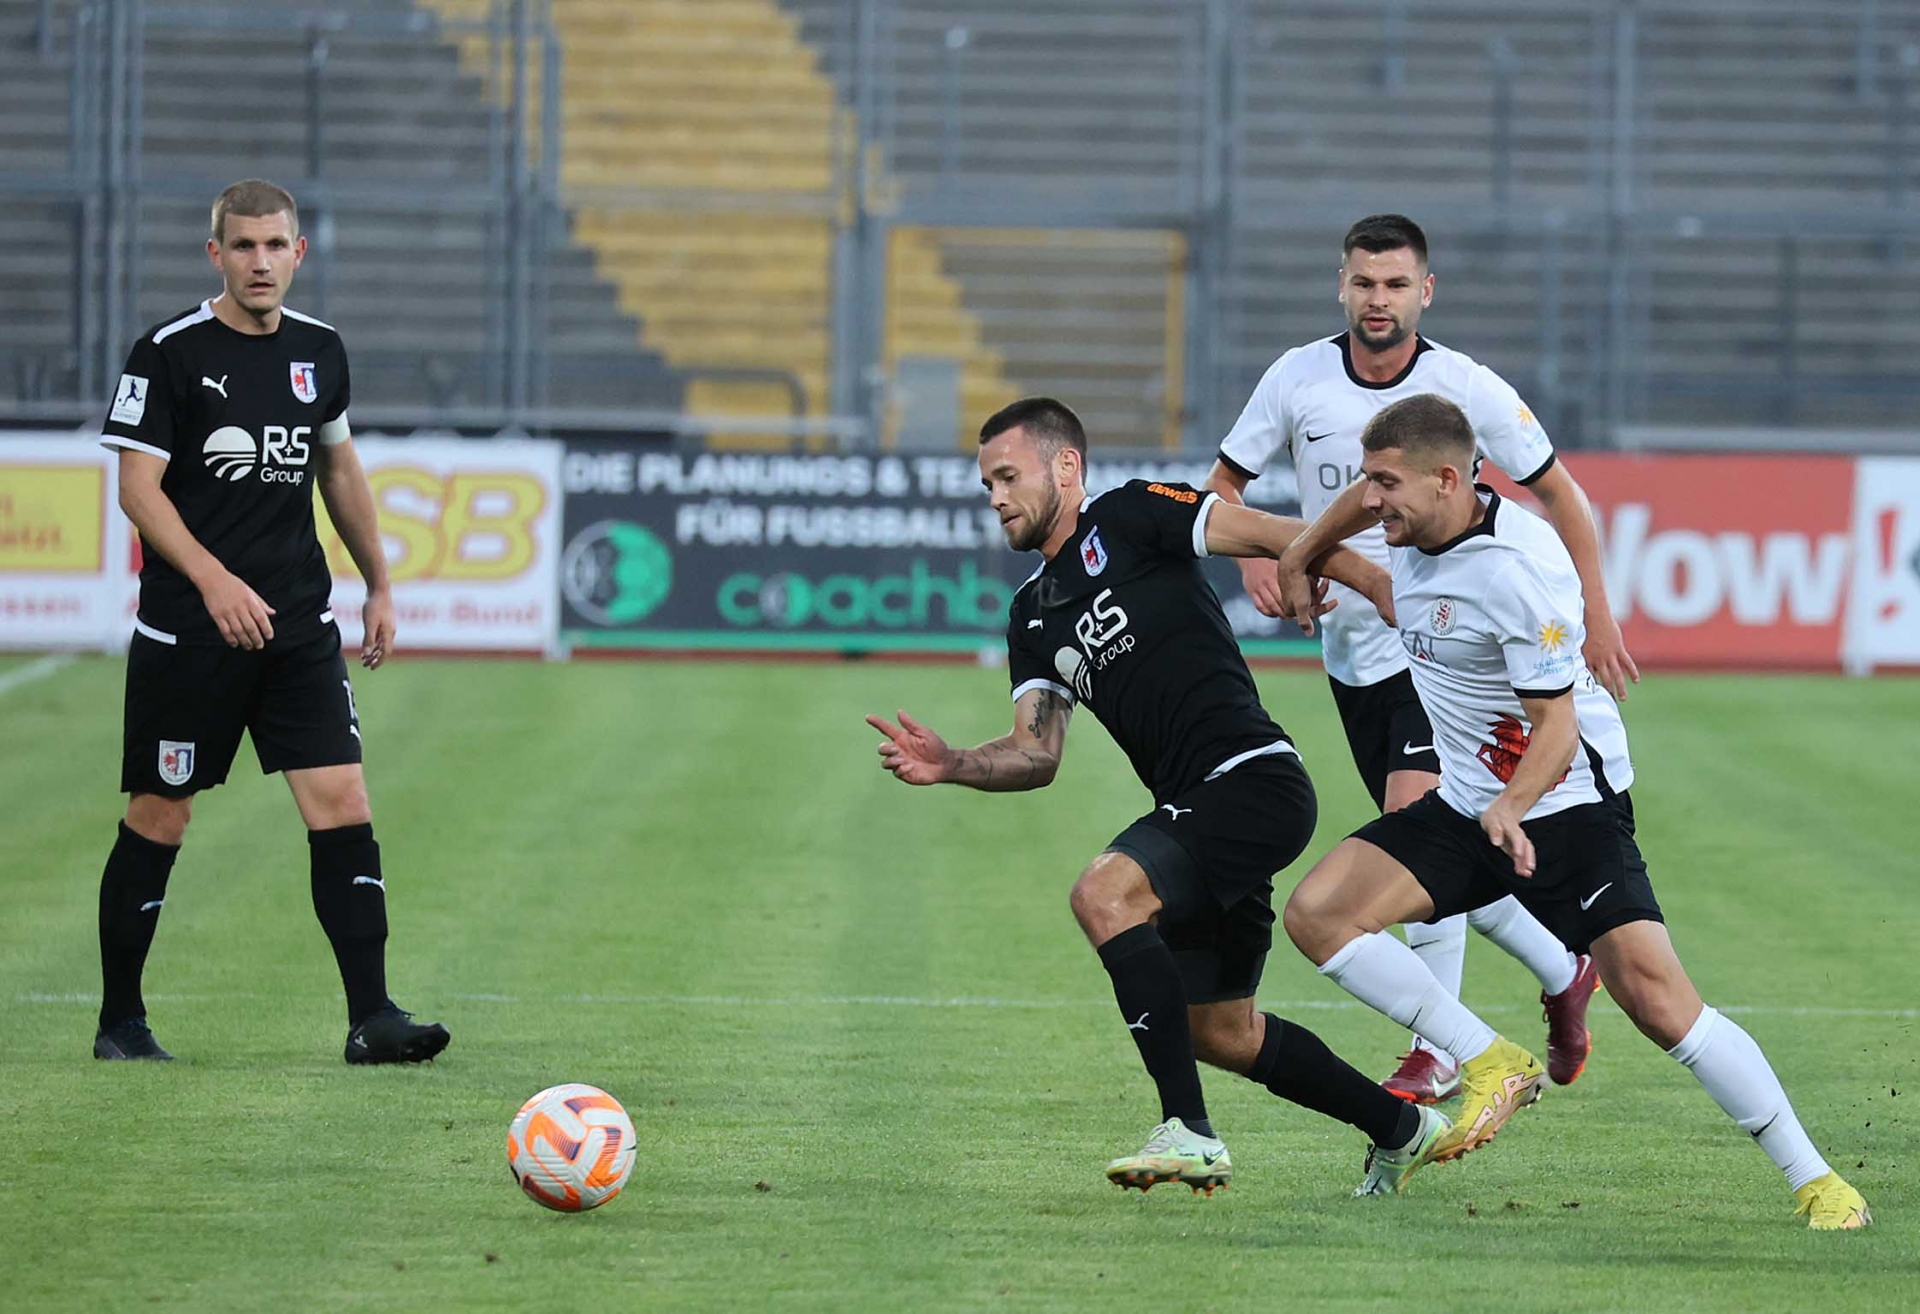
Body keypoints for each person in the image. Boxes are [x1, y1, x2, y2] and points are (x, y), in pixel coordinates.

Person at [1280, 393, 1870, 1229]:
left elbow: (1556, 728)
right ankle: (1490, 1059)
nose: (1369, 501)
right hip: (1466, 803)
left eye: (1385, 484)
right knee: (1318, 914)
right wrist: (1306, 547)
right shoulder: (1412, 515)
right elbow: (1357, 503)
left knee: (1661, 1003)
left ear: (1448, 481)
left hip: (1566, 807)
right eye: (1369, 482)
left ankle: (1816, 1181)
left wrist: (1513, 810)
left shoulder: (1515, 575)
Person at [867, 397, 1457, 1199]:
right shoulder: (1030, 618)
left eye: (1008, 477)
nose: (996, 496)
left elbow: (1282, 535)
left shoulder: (1133, 515)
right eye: (987, 485)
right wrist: (953, 763)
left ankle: (1193, 1133)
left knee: (1104, 894)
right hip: (1203, 807)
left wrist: (1375, 582)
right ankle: (1403, 1129)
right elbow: (1036, 752)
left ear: (1064, 467)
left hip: (1252, 777)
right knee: (1219, 1031)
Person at [1206, 213, 1631, 1102]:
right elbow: (1224, 489)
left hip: (1448, 656)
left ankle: (1441, 1050)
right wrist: (1261, 561)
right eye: (1364, 283)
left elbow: (1560, 492)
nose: (1378, 300)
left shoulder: (1464, 387)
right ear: (1342, 287)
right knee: (1442, 856)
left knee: (1419, 815)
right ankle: (1562, 972)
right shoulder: (1296, 377)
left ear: (1424, 292)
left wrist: (1597, 612)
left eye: (1396, 285)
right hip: (1355, 658)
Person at [92, 179, 450, 1066]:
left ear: (300, 252)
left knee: (344, 804)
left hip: (295, 626)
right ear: (216, 254)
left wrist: (379, 583)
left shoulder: (321, 351)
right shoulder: (169, 352)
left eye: (275, 245)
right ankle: (121, 1022)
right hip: (192, 632)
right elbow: (138, 488)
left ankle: (372, 1018)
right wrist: (213, 581)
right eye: (243, 246)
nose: (260, 261)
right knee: (160, 814)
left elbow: (338, 471)